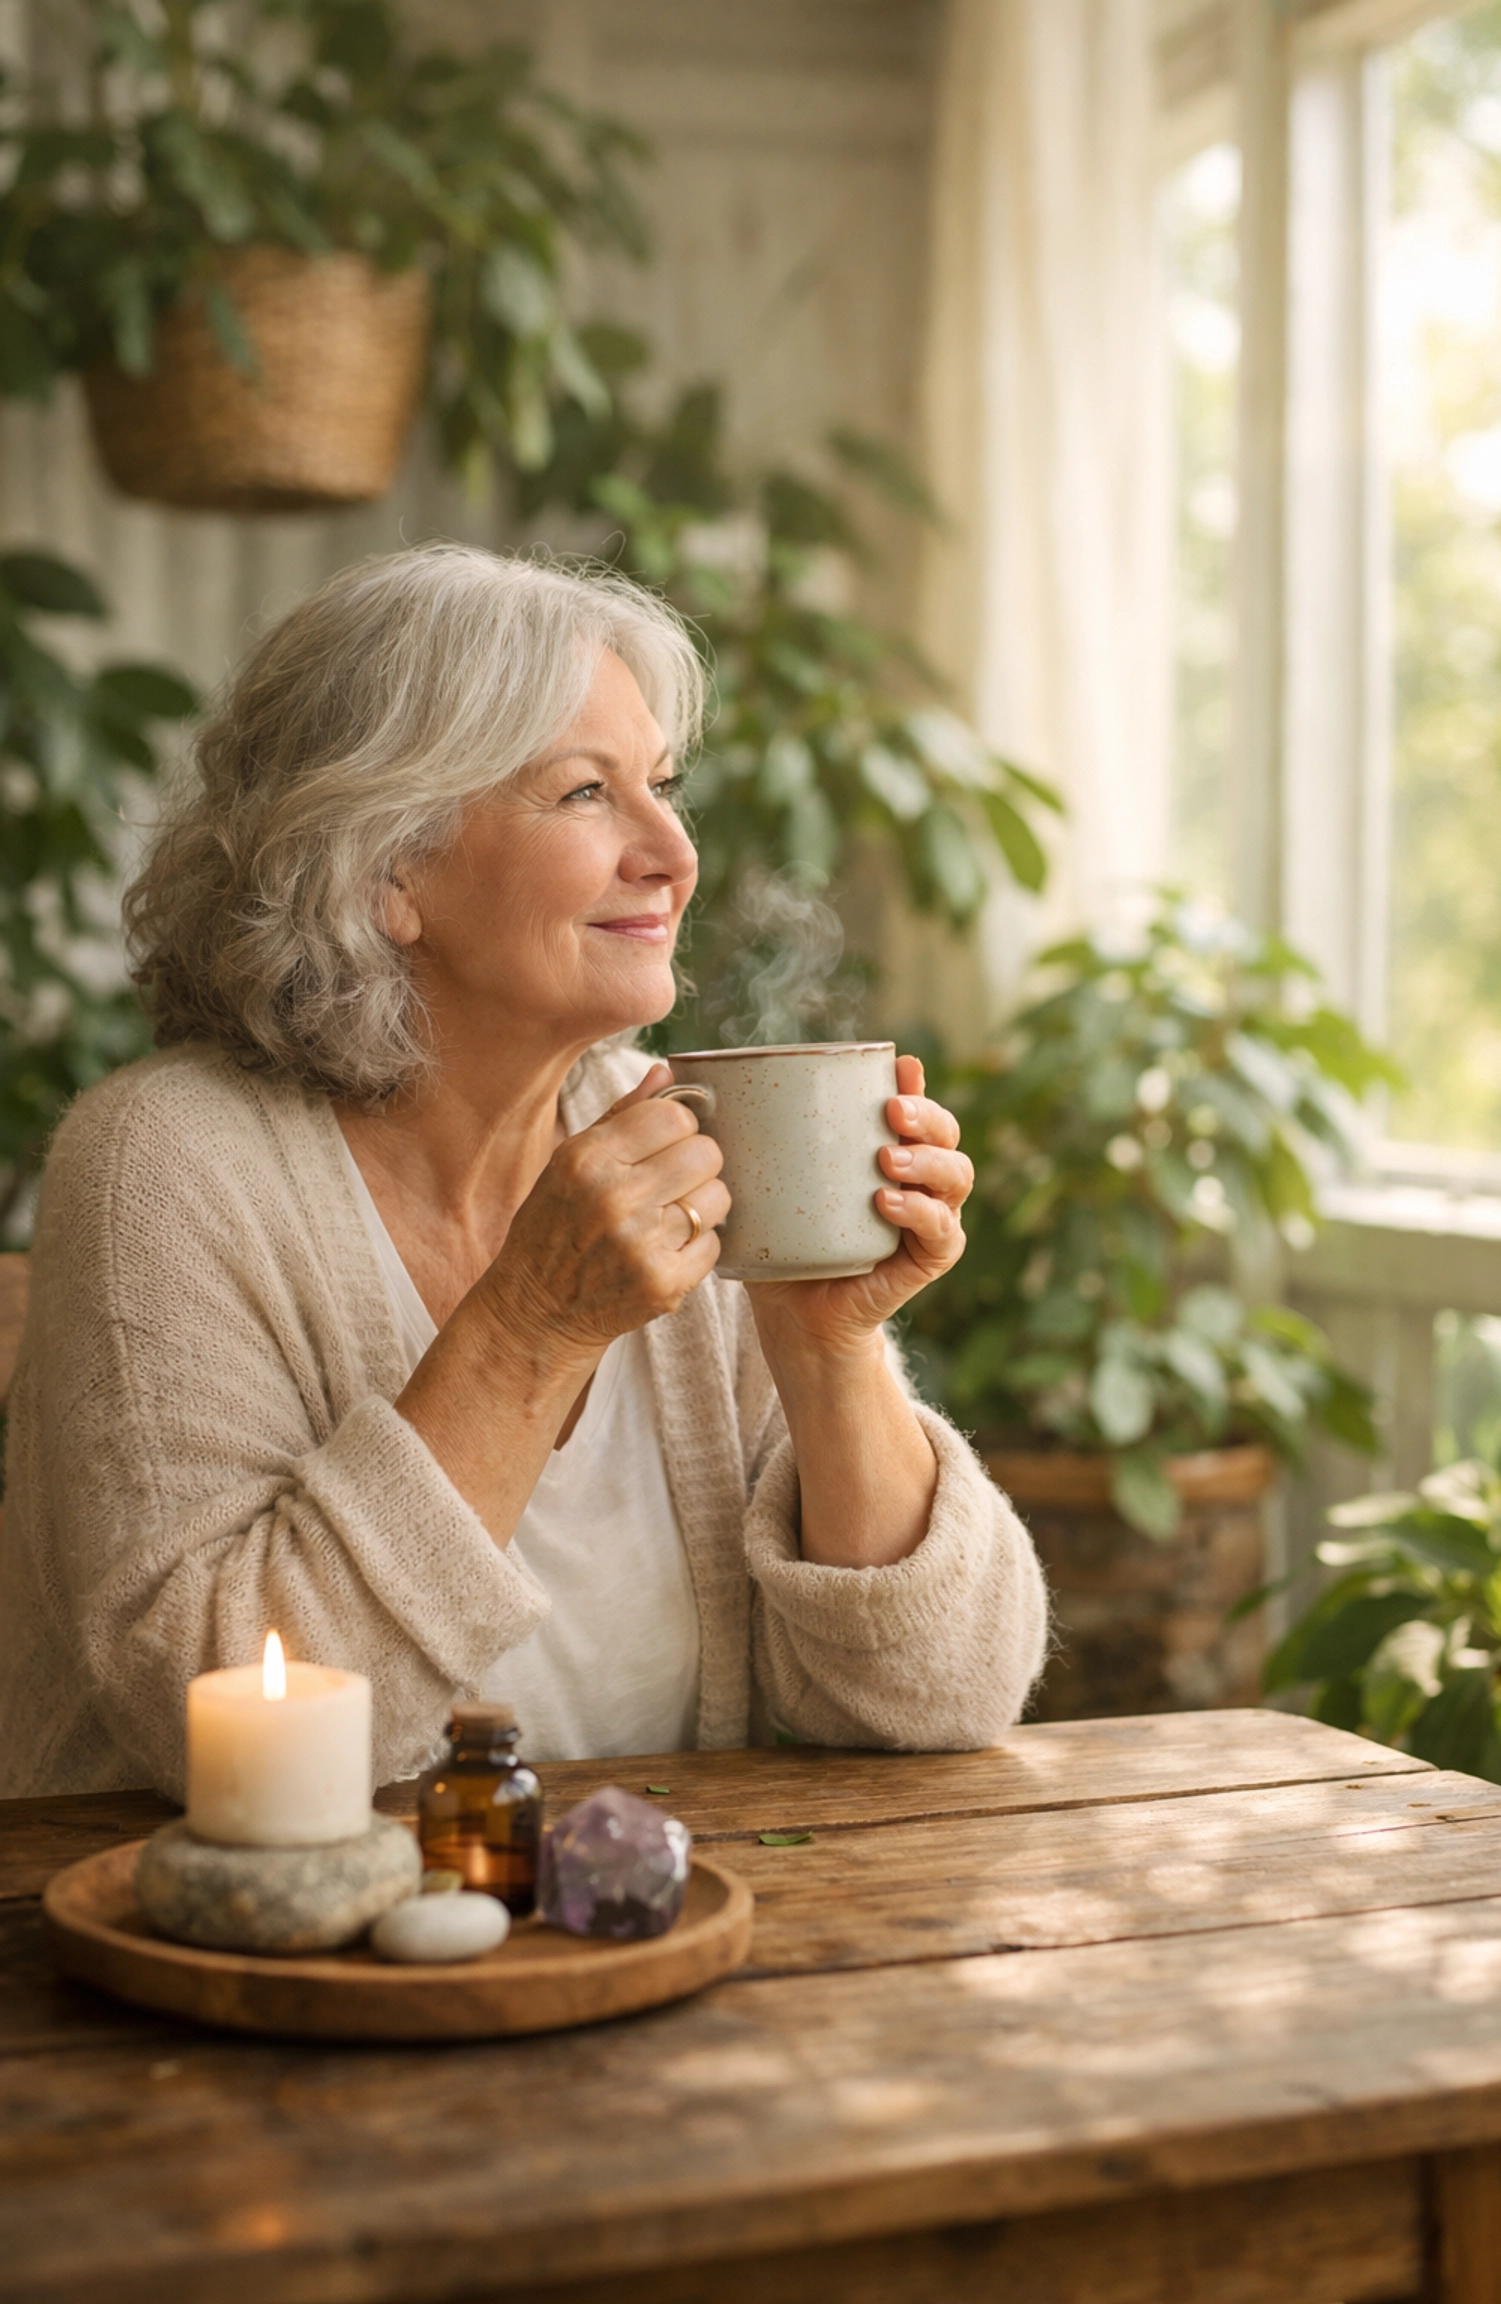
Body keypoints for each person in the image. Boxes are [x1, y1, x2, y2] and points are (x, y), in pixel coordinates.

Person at [0, 546, 1047, 1797]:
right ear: (387, 869)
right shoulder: (165, 1168)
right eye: (582, 795)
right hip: (230, 1965)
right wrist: (533, 1327)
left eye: (662, 786)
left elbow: (936, 1699)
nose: (671, 850)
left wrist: (828, 1352)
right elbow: (223, 1728)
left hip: (665, 1944)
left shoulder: (672, 1133)